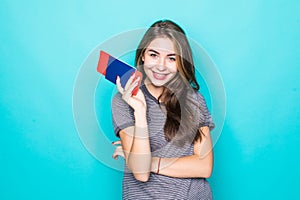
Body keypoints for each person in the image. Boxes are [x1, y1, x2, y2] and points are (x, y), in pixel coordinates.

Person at [111, 19, 215, 199]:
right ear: (143, 55)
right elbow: (141, 174)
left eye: (171, 58)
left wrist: (147, 161)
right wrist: (140, 112)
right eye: (153, 55)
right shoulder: (123, 102)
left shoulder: (194, 100)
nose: (160, 65)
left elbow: (204, 166)